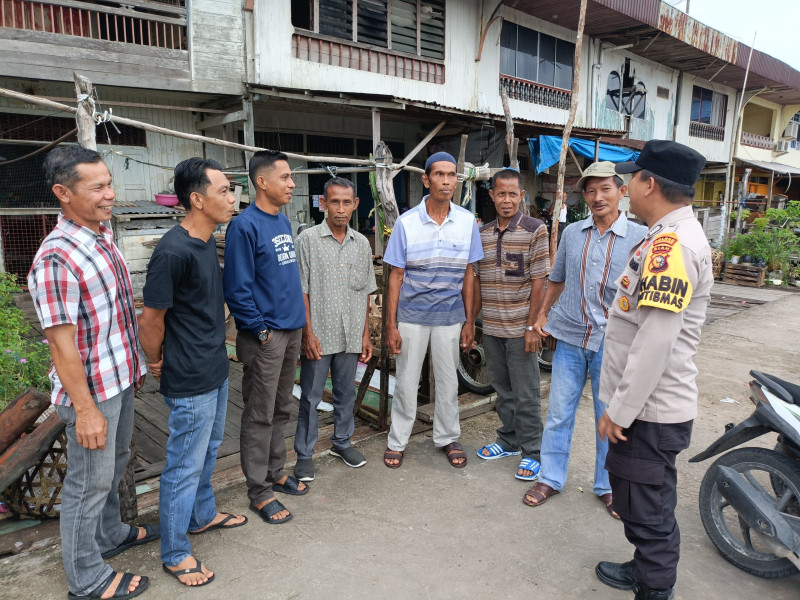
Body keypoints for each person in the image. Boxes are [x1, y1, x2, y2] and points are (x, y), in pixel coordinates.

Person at [28, 147, 156, 600]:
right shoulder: (56, 258)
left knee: (115, 466)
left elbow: (116, 315)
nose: (110, 194)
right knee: (87, 483)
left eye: (109, 183)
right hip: (90, 391)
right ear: (63, 193)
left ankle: (109, 535)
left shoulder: (101, 235)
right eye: (98, 187)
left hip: (118, 376)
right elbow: (61, 345)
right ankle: (86, 578)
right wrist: (84, 410)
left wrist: (136, 364)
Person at [593, 140, 712, 600]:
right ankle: (644, 569)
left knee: (648, 507)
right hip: (646, 405)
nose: (625, 186)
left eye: (631, 177)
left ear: (651, 184)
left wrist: (620, 410)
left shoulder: (672, 245)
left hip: (650, 409)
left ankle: (655, 589)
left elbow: (656, 339)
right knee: (638, 496)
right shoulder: (662, 235)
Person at [138, 158, 247, 587]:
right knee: (183, 464)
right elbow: (150, 320)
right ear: (197, 198)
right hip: (189, 375)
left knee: (208, 448)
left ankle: (202, 515)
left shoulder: (205, 243)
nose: (231, 198)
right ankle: (175, 551)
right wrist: (156, 361)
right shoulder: (173, 250)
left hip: (214, 367)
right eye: (223, 190)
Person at [525, 161, 647, 515]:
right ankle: (550, 477)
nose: (597, 197)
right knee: (559, 412)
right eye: (590, 191)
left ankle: (607, 485)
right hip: (571, 336)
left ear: (622, 192)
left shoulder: (641, 238)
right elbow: (557, 278)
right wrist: (542, 315)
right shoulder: (573, 233)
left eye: (605, 189)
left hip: (613, 343)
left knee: (606, 417)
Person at [382, 151, 484, 469]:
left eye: (451, 175)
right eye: (439, 174)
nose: (445, 180)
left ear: (457, 180)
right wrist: (390, 325)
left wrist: (469, 322)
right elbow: (395, 277)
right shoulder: (407, 223)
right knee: (407, 382)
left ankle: (447, 437)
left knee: (448, 381)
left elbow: (470, 274)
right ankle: (397, 441)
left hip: (450, 317)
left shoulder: (467, 222)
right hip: (412, 316)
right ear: (426, 179)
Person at [224, 150, 307, 524]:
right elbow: (237, 290)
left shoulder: (282, 221)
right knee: (259, 414)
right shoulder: (244, 226)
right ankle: (258, 491)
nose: (292, 184)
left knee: (281, 408)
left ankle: (276, 472)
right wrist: (261, 331)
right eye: (286, 177)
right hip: (266, 337)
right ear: (262, 181)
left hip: (290, 331)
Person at [293, 177, 377, 481]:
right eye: (334, 202)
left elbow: (365, 291)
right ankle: (304, 453)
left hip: (351, 333)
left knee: (345, 393)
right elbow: (301, 290)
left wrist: (365, 334)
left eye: (346, 202)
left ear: (355, 205)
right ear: (323, 204)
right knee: (311, 396)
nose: (340, 209)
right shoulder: (308, 241)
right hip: (320, 333)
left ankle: (341, 442)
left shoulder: (362, 245)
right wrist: (307, 332)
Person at [473, 169, 550, 481]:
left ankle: (533, 451)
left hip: (521, 330)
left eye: (512, 194)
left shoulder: (535, 229)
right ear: (492, 195)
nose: (506, 200)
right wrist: (471, 323)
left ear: (522, 196)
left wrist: (533, 327)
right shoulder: (483, 233)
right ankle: (508, 440)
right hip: (491, 328)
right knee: (503, 390)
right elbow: (477, 280)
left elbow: (540, 281)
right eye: (500, 193)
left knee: (526, 393)